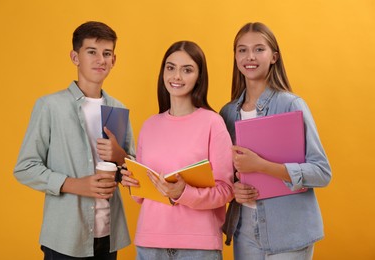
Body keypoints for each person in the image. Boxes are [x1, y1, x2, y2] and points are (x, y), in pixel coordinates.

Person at [14, 21, 135, 259]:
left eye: (107, 53)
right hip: (65, 237)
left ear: (114, 60)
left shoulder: (118, 109)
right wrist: (75, 184)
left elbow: (133, 170)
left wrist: (121, 157)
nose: (101, 59)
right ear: (75, 56)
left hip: (109, 235)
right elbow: (25, 168)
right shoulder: (50, 106)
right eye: (92, 51)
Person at [220, 22, 332, 260]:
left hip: (289, 230)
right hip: (245, 230)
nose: (250, 56)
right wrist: (235, 189)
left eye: (259, 49)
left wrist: (261, 165)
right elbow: (227, 174)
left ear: (274, 56)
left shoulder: (291, 105)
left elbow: (322, 172)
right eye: (242, 50)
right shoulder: (227, 113)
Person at [121, 41, 234, 259]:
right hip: (149, 243)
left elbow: (225, 190)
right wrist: (132, 183)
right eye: (171, 68)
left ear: (199, 77)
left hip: (199, 247)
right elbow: (141, 198)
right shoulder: (149, 125)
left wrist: (182, 193)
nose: (177, 77)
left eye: (187, 70)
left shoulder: (213, 123)